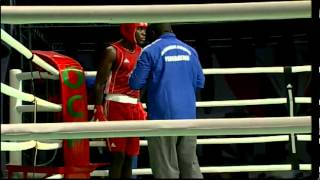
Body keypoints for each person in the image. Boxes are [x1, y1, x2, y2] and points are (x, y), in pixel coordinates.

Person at [129, 23, 205, 178]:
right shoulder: (190, 50)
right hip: (188, 116)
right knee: (190, 166)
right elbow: (200, 82)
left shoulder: (150, 50)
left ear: (152, 32)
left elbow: (135, 83)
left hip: (162, 117)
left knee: (166, 169)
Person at [91, 23, 148, 178]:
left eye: (145, 30)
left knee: (130, 157)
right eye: (140, 29)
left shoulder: (142, 53)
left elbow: (143, 82)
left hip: (134, 107)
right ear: (130, 30)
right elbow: (100, 82)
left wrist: (139, 103)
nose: (144, 33)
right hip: (115, 104)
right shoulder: (112, 51)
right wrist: (98, 108)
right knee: (118, 156)